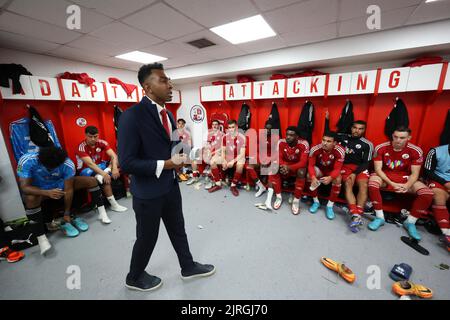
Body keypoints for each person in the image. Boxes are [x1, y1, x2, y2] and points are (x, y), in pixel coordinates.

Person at [118, 63, 215, 292]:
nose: (170, 84)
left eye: (169, 80)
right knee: (147, 238)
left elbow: (174, 147)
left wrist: (196, 153)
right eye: (163, 80)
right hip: (147, 193)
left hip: (170, 186)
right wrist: (166, 164)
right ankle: (134, 277)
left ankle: (188, 266)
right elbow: (127, 162)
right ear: (147, 87)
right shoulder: (131, 117)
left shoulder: (169, 115)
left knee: (178, 229)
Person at [17, 146, 108, 255]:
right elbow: (25, 188)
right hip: (40, 189)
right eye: (49, 168)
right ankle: (41, 238)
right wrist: (47, 193)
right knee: (30, 198)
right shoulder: (27, 161)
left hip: (60, 185)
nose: (51, 170)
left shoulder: (67, 163)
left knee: (91, 181)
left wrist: (67, 212)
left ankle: (101, 213)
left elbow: (68, 189)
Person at [367, 127, 434, 240]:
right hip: (385, 176)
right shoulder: (381, 147)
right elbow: (378, 170)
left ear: (408, 138)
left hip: (405, 178)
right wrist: (391, 183)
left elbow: (415, 173)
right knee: (372, 183)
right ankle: (379, 217)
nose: (398, 140)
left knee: (427, 193)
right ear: (392, 136)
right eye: (395, 137)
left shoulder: (415, 150)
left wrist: (407, 185)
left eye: (402, 138)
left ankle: (410, 222)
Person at [331, 118, 373, 231]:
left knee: (364, 185)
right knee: (348, 183)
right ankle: (355, 214)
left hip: (360, 168)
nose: (357, 131)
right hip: (345, 166)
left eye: (360, 129)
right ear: (351, 128)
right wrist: (327, 120)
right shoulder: (342, 137)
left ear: (364, 130)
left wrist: (355, 173)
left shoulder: (367, 144)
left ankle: (357, 214)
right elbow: (328, 135)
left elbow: (366, 163)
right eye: (355, 128)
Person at [76, 125, 127, 217]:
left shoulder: (101, 142)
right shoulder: (81, 147)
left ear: (98, 135)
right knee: (104, 179)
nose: (93, 139)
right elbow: (90, 164)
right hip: (86, 169)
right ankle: (114, 205)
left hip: (100, 166)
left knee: (118, 159)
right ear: (85, 136)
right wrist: (104, 174)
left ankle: (106, 171)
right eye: (90, 136)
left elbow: (113, 155)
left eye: (95, 136)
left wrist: (114, 168)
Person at [263, 126, 309, 215]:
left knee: (302, 172)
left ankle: (296, 201)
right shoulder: (281, 142)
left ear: (297, 137)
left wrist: (289, 168)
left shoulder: (304, 144)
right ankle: (278, 196)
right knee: (274, 168)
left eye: (291, 135)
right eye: (287, 134)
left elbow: (303, 162)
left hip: (297, 166)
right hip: (285, 164)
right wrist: (283, 165)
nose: (288, 137)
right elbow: (278, 157)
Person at [308, 132, 345, 220]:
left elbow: (337, 169)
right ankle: (316, 201)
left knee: (338, 178)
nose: (324, 143)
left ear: (335, 143)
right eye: (323, 140)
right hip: (320, 170)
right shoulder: (315, 149)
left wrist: (331, 177)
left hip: (331, 172)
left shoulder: (340, 150)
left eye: (328, 141)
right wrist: (313, 177)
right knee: (309, 175)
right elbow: (311, 165)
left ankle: (329, 206)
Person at [208, 119, 246, 197]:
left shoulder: (242, 137)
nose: (231, 129)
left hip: (237, 157)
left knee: (240, 165)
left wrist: (233, 161)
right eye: (229, 127)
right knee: (212, 161)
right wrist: (224, 160)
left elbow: (242, 154)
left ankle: (233, 186)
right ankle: (218, 184)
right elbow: (223, 151)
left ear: (236, 127)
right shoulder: (225, 137)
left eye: (233, 127)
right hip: (228, 156)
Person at [423, 144, 450, 251]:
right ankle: (447, 234)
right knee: (439, 197)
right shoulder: (436, 152)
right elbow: (427, 172)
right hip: (438, 181)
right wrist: (445, 183)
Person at [246, 120, 279, 198]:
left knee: (269, 169)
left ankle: (266, 183)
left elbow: (277, 153)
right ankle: (261, 186)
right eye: (266, 128)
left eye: (270, 129)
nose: (267, 130)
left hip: (271, 160)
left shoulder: (276, 137)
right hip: (261, 158)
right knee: (249, 166)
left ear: (273, 129)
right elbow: (256, 150)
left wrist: (268, 160)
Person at [186, 119, 223, 188]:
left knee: (212, 159)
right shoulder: (208, 133)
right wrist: (203, 149)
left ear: (218, 126)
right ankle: (195, 177)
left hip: (217, 153)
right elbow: (205, 144)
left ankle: (213, 180)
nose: (214, 126)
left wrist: (213, 152)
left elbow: (222, 148)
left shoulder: (222, 134)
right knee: (193, 156)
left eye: (216, 124)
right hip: (208, 151)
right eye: (213, 124)